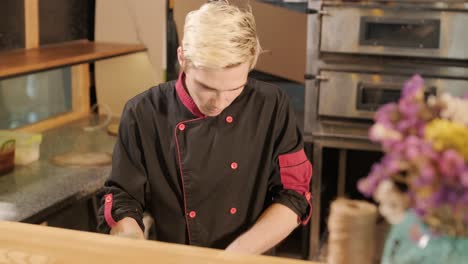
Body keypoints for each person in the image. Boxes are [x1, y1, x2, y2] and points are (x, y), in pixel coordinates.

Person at [98, 0, 312, 254]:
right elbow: (123, 197)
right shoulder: (144, 111)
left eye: (235, 89)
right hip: (175, 257)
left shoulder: (271, 105)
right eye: (207, 87)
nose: (219, 102)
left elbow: (295, 193)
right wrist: (133, 243)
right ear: (183, 60)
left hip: (248, 255)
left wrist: (234, 255)